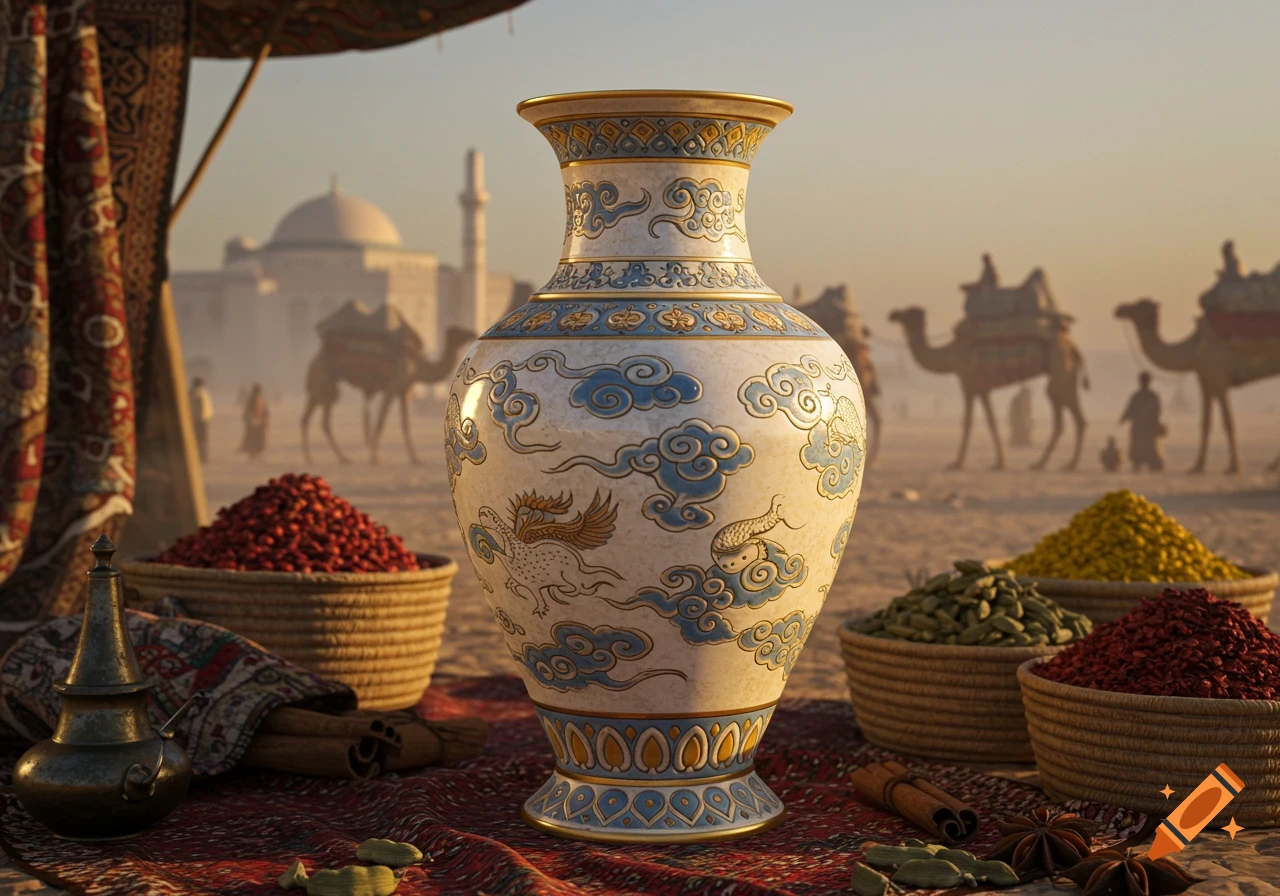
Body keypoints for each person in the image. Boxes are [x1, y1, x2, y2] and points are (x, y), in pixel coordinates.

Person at [1120, 372, 1165, 472]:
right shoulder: (1137, 396)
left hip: (1148, 428)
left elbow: (1158, 412)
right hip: (1139, 428)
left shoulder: (1152, 396)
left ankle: (1152, 463)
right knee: (1137, 447)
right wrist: (1123, 418)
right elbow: (1130, 409)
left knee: (1150, 447)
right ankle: (1138, 462)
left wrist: (1157, 425)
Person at [239, 383, 269, 461]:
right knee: (252, 439)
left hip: (259, 422)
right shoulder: (252, 399)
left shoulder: (260, 398)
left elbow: (265, 410)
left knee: (260, 439)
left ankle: (257, 454)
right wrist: (251, 420)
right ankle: (252, 454)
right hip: (253, 423)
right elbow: (248, 412)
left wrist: (265, 419)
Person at [189, 377, 214, 463]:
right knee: (203, 439)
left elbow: (200, 407)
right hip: (204, 419)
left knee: (198, 439)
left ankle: (201, 457)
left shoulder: (195, 393)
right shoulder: (204, 393)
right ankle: (203, 457)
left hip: (198, 419)